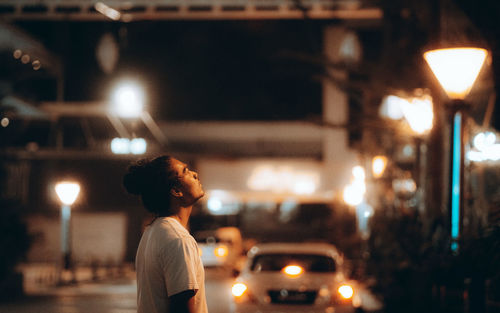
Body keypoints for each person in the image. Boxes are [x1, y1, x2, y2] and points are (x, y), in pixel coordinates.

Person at [123, 155, 208, 313]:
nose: (195, 174)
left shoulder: (152, 232)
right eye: (186, 171)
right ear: (176, 191)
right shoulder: (178, 240)